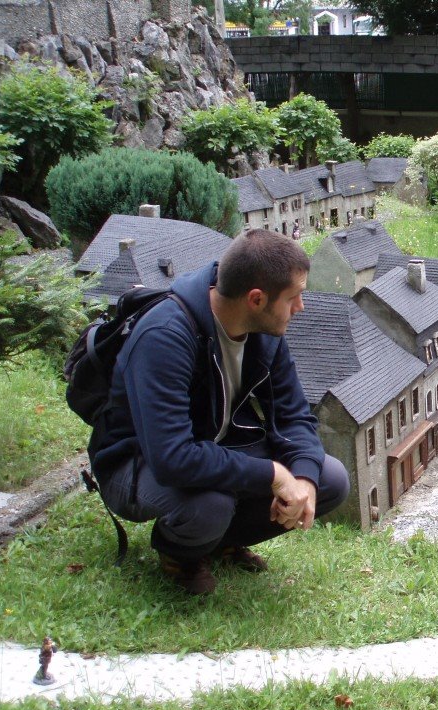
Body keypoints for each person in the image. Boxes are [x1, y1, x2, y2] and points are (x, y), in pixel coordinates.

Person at [88, 230, 350, 595]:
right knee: (210, 503)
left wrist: (302, 478)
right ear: (256, 299)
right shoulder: (165, 335)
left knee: (329, 480)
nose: (300, 307)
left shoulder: (265, 331)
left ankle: (218, 542)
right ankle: (178, 552)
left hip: (214, 445)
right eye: (294, 297)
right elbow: (171, 458)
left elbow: (294, 416)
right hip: (135, 463)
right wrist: (273, 474)